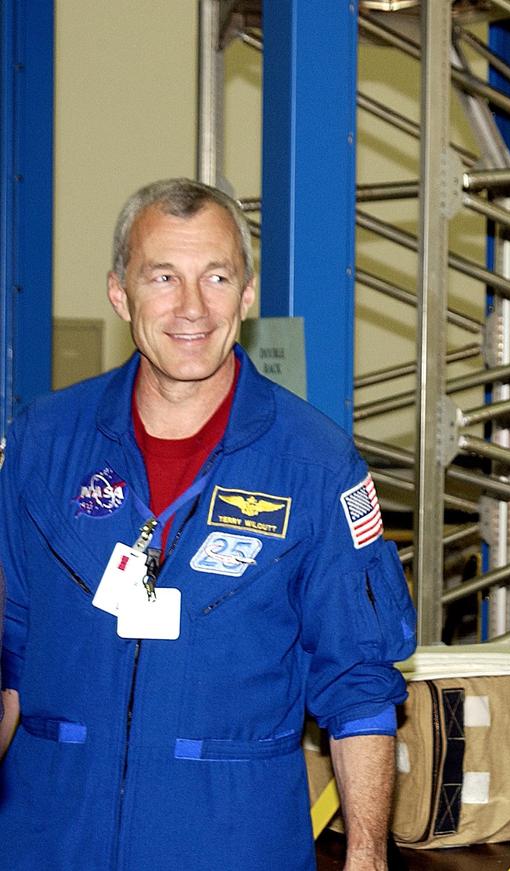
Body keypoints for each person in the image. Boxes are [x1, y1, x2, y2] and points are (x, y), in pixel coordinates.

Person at [0, 179, 416, 871]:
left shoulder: (313, 462)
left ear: (247, 294)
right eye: (162, 276)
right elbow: (8, 654)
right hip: (49, 840)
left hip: (233, 842)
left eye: (215, 277)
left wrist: (367, 857)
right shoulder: (44, 445)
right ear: (118, 291)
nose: (191, 307)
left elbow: (359, 685)